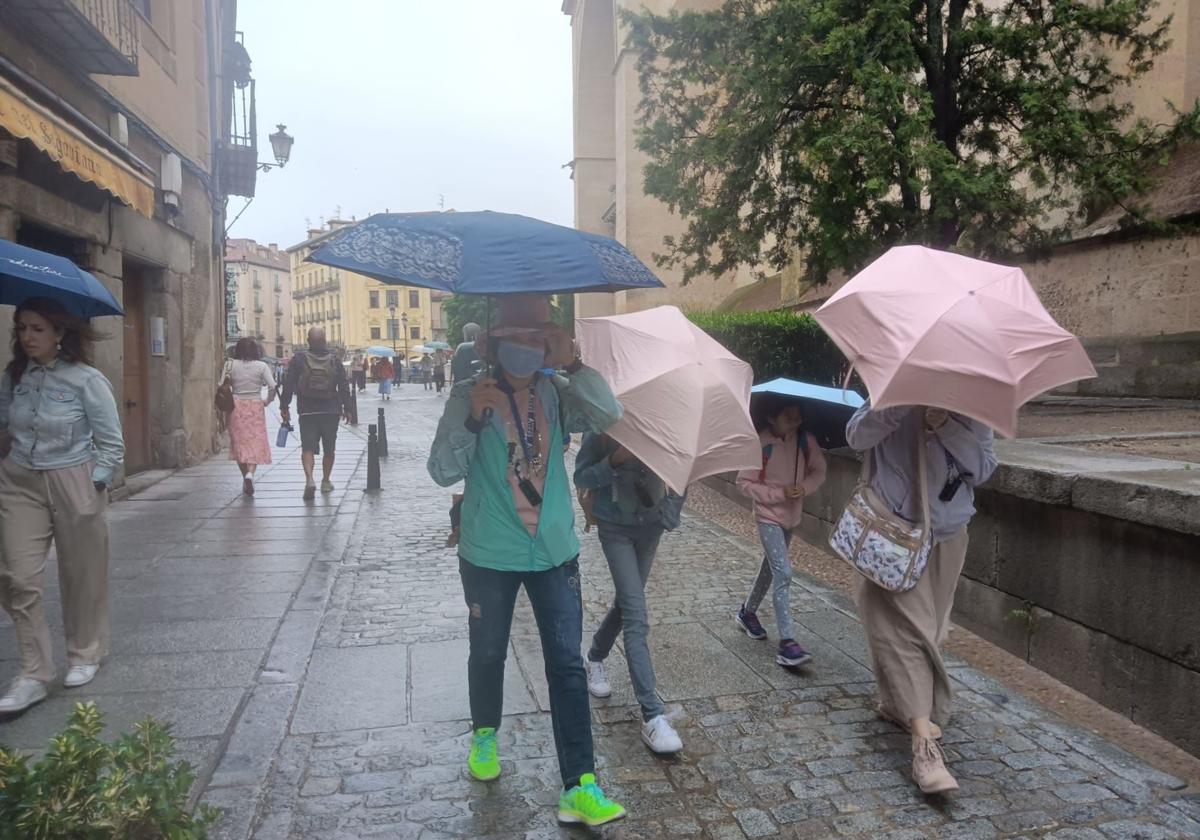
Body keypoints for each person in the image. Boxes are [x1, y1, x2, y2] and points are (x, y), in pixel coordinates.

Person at [429, 295, 627, 827]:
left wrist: (575, 363)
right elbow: (441, 472)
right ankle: (485, 737)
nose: (525, 347)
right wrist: (472, 421)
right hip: (489, 551)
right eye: (515, 337)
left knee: (566, 663)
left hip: (553, 551)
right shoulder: (469, 395)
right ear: (492, 343)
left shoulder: (559, 392)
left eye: (535, 337)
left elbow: (610, 415)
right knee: (489, 651)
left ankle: (579, 785)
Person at [845, 403, 996, 795]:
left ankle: (897, 704)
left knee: (931, 629)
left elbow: (983, 469)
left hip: (947, 535)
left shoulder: (972, 403)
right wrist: (895, 410)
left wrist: (945, 424)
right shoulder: (893, 393)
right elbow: (855, 437)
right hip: (891, 532)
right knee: (909, 632)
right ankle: (923, 748)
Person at [0, 298, 124, 712]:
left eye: (37, 329)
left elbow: (111, 444)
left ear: (59, 334)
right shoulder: (14, 376)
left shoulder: (86, 380)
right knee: (17, 576)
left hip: (74, 479)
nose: (27, 336)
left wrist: (96, 485)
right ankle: (34, 672)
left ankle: (85, 653)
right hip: (19, 481)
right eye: (22, 328)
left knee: (82, 575)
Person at [575, 433, 685, 754]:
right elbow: (581, 475)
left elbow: (684, 467)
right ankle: (652, 714)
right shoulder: (602, 425)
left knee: (626, 604)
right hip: (615, 527)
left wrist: (670, 511)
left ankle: (594, 656)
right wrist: (614, 460)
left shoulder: (662, 423)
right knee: (636, 613)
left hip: (650, 525)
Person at [734, 398, 827, 668]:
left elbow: (819, 471)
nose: (795, 422)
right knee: (783, 572)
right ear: (772, 418)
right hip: (767, 516)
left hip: (791, 516)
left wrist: (804, 488)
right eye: (788, 417)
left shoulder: (804, 441)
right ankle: (787, 643)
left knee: (771, 567)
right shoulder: (761, 445)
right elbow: (744, 482)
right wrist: (777, 494)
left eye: (798, 417)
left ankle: (747, 612)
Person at [280, 328, 350, 500]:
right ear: (325, 341)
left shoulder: (299, 359)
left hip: (307, 410)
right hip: (330, 410)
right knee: (329, 448)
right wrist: (347, 408)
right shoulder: (334, 360)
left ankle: (309, 478)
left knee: (307, 447)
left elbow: (288, 383)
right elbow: (343, 385)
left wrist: (284, 406)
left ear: (308, 341)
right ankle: (326, 481)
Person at [223, 338, 277, 496]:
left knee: (239, 444)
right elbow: (272, 386)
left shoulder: (230, 365)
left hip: (236, 406)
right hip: (255, 406)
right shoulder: (262, 366)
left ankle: (245, 476)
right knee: (255, 443)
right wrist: (268, 400)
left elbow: (221, 384)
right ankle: (250, 474)